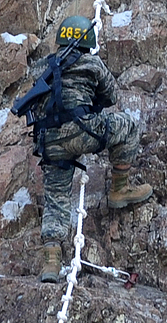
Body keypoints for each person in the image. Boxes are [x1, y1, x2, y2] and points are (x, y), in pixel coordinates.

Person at [13, 15, 153, 282]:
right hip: (81, 130)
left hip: (48, 142)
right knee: (128, 126)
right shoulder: (91, 62)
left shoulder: (45, 66)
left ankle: (51, 262)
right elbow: (111, 97)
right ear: (87, 41)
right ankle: (120, 188)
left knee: (56, 198)